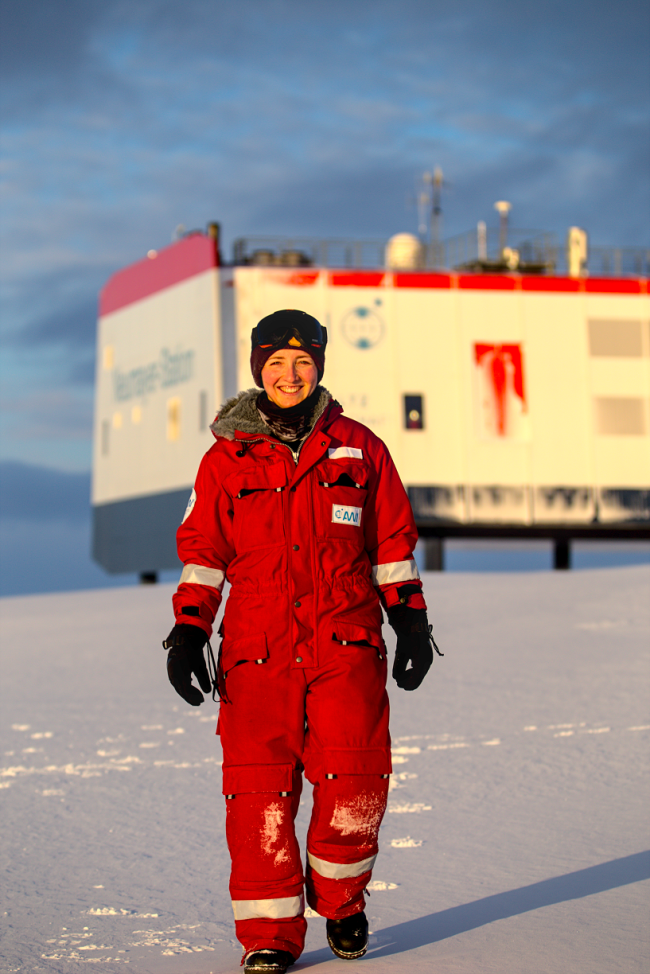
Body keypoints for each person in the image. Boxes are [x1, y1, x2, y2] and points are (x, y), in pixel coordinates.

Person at [163, 309, 440, 973]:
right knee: (258, 794)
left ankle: (341, 901)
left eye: (303, 362)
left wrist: (410, 620)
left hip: (344, 645)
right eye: (276, 363)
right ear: (259, 368)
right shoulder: (226, 458)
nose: (290, 375)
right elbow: (203, 552)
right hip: (257, 652)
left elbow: (392, 542)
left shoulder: (359, 448)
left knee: (357, 780)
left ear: (319, 366)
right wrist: (189, 627)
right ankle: (270, 936)